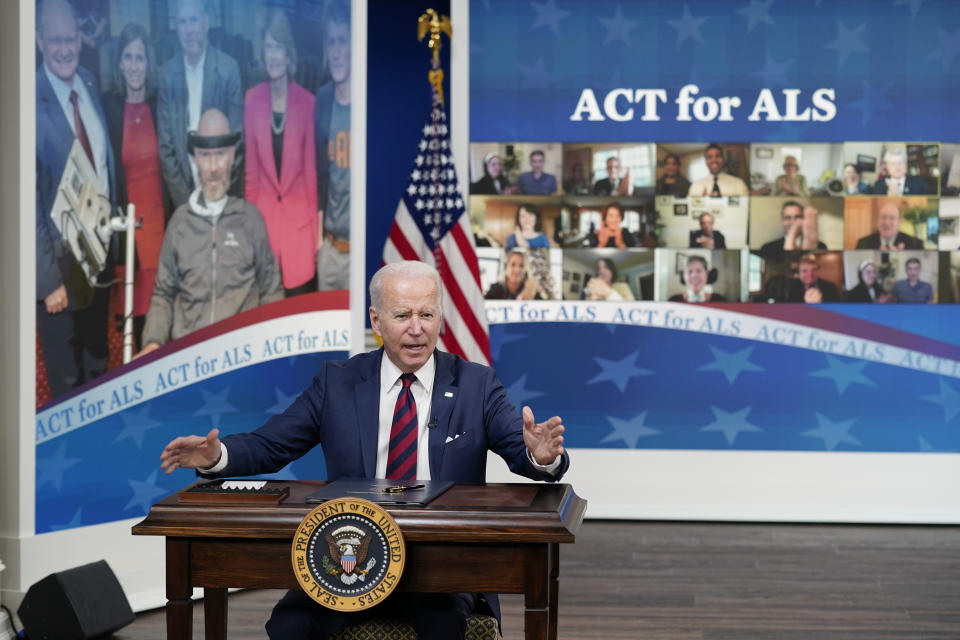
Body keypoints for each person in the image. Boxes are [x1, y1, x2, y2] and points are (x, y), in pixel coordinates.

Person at [158, 260, 569, 640]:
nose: (417, 329)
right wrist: (216, 458)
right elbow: (272, 444)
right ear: (376, 319)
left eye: (426, 315)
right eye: (403, 315)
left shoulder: (476, 385)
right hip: (349, 553)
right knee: (289, 626)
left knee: (443, 625)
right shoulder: (337, 382)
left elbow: (522, 449)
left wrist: (542, 456)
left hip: (442, 564)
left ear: (439, 316)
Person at [139, 109, 282, 354]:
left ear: (232, 156)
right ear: (195, 158)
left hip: (241, 355)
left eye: (220, 155)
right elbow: (163, 293)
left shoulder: (251, 220)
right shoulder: (180, 223)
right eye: (205, 156)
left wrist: (267, 342)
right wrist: (153, 341)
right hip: (189, 356)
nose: (214, 167)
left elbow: (271, 289)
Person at [36, 0, 116, 397]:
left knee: (98, 365)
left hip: (98, 259)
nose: (64, 48)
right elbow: (27, 201)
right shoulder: (28, 100)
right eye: (55, 40)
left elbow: (102, 163)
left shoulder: (87, 80)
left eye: (71, 38)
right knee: (67, 384)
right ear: (38, 40)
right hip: (60, 276)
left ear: (81, 39)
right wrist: (48, 280)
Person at [102, 22, 169, 353]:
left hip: (162, 232)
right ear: (119, 63)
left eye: (139, 57)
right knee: (136, 329)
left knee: (164, 326)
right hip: (130, 237)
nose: (133, 65)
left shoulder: (160, 106)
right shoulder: (109, 109)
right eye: (127, 57)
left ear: (149, 61)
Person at [244, 9, 318, 297]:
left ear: (289, 54)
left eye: (278, 47)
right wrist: (251, 233)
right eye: (268, 47)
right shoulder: (252, 100)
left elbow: (311, 178)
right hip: (264, 231)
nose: (273, 55)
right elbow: (250, 178)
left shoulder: (307, 103)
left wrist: (313, 240)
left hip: (299, 233)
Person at [157, 0, 243, 208]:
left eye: (194, 20)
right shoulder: (167, 75)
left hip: (221, 190)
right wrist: (186, 203)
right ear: (176, 27)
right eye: (182, 22)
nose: (189, 30)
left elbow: (237, 143)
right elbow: (166, 149)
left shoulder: (228, 70)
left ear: (207, 22)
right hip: (182, 197)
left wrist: (217, 196)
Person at [315, 0, 352, 291]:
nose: (337, 52)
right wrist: (318, 242)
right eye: (331, 43)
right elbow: (318, 175)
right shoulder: (323, 101)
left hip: (359, 250)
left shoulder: (368, 104)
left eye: (343, 41)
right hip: (328, 247)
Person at [757, 201, 826, 262]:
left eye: (797, 217)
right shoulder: (768, 248)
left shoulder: (821, 246)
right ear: (782, 221)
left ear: (804, 220)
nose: (792, 222)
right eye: (787, 218)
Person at [855, 200, 924, 250]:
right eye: (883, 217)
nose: (887, 222)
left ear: (899, 222)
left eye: (892, 218)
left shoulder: (915, 245)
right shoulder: (863, 244)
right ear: (877, 220)